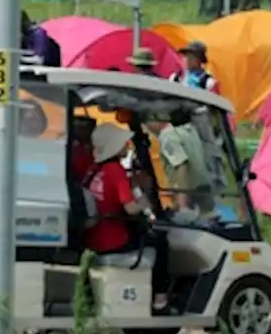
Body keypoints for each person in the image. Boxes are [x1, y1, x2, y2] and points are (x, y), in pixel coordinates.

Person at [84, 124, 156, 255]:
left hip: (93, 238)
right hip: (114, 240)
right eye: (123, 142)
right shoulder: (117, 171)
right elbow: (131, 209)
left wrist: (133, 185)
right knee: (158, 243)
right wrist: (146, 199)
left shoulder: (94, 169)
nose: (127, 144)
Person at [153, 108, 213, 213]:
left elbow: (181, 165)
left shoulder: (168, 136)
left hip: (189, 194)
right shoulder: (190, 130)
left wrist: (182, 204)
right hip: (204, 188)